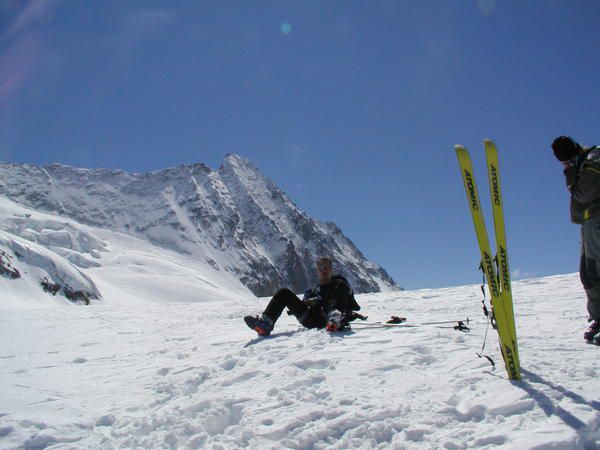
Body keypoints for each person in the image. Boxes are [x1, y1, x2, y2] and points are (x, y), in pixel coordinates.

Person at [552, 135, 600, 344]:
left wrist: (570, 172)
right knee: (588, 274)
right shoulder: (582, 163)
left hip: (597, 219)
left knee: (596, 270)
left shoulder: (593, 160)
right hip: (589, 223)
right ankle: (598, 317)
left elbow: (583, 194)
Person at [244, 257, 360, 336]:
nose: (324, 270)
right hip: (310, 318)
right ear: (317, 271)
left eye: (327, 267)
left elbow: (347, 300)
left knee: (338, 288)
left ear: (331, 270)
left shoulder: (339, 284)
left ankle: (335, 318)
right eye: (322, 267)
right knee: (284, 292)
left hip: (330, 317)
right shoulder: (314, 289)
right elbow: (305, 300)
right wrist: (310, 301)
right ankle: (266, 324)